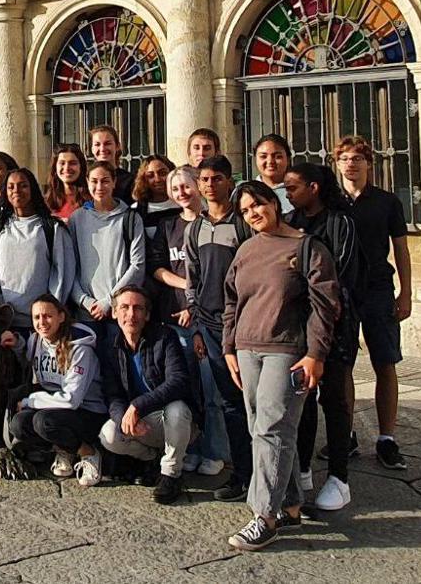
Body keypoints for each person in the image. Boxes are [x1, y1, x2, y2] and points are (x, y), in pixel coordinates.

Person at [222, 181, 340, 551]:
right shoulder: (246, 249)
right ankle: (289, 504)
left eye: (257, 205)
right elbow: (232, 301)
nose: (253, 214)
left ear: (274, 203)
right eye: (245, 211)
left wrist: (316, 354)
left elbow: (325, 307)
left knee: (273, 428)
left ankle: (264, 517)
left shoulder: (307, 247)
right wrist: (229, 347)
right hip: (247, 348)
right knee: (261, 429)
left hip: (287, 349)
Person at [285, 162, 361, 510]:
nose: (288, 194)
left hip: (334, 322)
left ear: (313, 188)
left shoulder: (340, 222)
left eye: (293, 188)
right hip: (300, 322)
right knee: (302, 396)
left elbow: (338, 273)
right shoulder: (291, 221)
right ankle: (302, 466)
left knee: (334, 398)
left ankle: (339, 477)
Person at [336, 135, 412, 470]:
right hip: (343, 291)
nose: (351, 164)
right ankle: (346, 433)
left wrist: (406, 293)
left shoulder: (387, 202)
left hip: (378, 290)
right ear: (337, 164)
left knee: (385, 361)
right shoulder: (331, 203)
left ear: (368, 163)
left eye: (357, 158)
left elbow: (401, 249)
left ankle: (387, 437)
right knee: (343, 366)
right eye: (344, 158)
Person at [149, 166, 228, 476]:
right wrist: (187, 286)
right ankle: (191, 446)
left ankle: (215, 450)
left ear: (198, 186)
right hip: (174, 319)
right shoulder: (168, 225)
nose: (181, 193)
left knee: (213, 392)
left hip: (206, 320)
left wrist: (194, 301)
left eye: (186, 185)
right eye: (175, 188)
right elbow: (158, 268)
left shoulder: (213, 224)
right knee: (186, 389)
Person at [184, 155, 254, 502]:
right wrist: (197, 326)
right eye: (205, 179)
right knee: (229, 403)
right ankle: (242, 474)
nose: (210, 185)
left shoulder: (243, 225)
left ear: (230, 181)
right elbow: (192, 281)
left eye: (217, 179)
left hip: (245, 324)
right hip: (211, 327)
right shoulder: (194, 229)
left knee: (254, 402)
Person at [99, 285, 200, 505]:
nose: (131, 314)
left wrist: (137, 405)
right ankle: (152, 460)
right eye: (125, 307)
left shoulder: (165, 337)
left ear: (147, 315)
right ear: (114, 312)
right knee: (108, 434)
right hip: (142, 423)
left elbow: (178, 381)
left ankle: (171, 475)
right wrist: (124, 418)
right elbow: (112, 395)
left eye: (138, 308)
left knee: (177, 409)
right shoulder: (110, 347)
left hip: (174, 421)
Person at [6, 294, 107, 488]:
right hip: (55, 408)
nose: (42, 322)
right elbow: (26, 355)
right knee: (18, 424)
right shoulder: (36, 340)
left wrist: (29, 402)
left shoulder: (80, 349)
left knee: (43, 422)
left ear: (61, 316)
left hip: (88, 411)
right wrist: (16, 342)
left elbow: (71, 400)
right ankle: (64, 448)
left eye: (48, 316)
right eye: (37, 317)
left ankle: (88, 453)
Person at [0, 168, 75, 336]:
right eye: (11, 187)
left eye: (23, 186)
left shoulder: (52, 229)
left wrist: (50, 310)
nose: (16, 191)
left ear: (33, 189)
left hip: (41, 323)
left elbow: (63, 273)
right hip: (5, 320)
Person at [68, 161, 146, 331]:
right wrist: (85, 301)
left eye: (105, 181)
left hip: (120, 313)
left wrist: (109, 301)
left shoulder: (131, 218)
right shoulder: (76, 219)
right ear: (87, 182)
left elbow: (137, 265)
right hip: (85, 313)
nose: (99, 187)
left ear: (114, 182)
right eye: (94, 181)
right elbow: (70, 266)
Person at [130, 155, 179, 239]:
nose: (157, 179)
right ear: (143, 179)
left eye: (162, 173)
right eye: (150, 176)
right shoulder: (136, 210)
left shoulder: (183, 203)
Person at [44, 143, 92, 220]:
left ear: (81, 167)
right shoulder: (47, 202)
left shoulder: (92, 199)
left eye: (72, 163)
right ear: (55, 167)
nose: (66, 168)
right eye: (62, 163)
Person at [89, 126, 134, 203]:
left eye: (107, 144)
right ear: (92, 149)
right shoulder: (85, 180)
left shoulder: (130, 181)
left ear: (117, 146)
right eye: (97, 144)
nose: (102, 149)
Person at [252, 134, 293, 214]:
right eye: (263, 156)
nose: (270, 161)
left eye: (278, 156)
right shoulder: (245, 191)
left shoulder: (299, 191)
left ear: (288, 159)